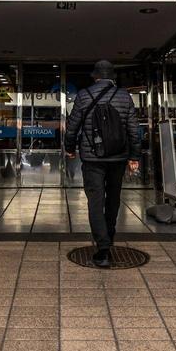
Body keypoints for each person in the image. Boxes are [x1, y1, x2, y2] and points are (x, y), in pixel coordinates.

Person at [65, 60, 140, 268]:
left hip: (92, 158)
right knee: (113, 198)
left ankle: (103, 247)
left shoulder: (83, 95)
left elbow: (72, 126)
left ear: (95, 77)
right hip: (118, 157)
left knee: (95, 200)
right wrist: (134, 157)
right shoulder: (125, 97)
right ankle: (110, 234)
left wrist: (70, 148)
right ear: (112, 77)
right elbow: (134, 129)